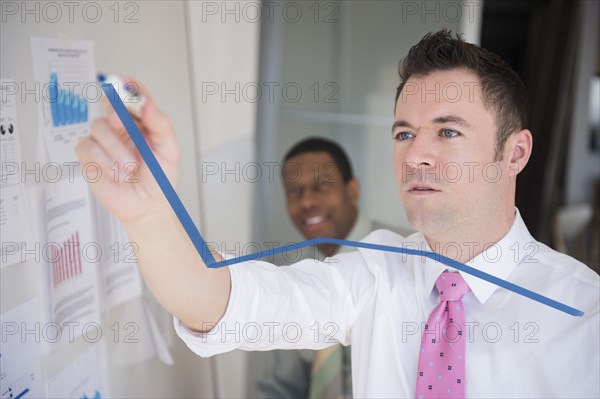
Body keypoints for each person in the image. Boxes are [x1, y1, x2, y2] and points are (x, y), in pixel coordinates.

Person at [77, 30, 599, 398]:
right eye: (403, 133)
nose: (415, 154)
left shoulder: (585, 318)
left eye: (447, 131)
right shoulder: (374, 270)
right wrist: (149, 215)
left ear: (515, 153)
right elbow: (226, 301)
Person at [255, 138, 371, 399]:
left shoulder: (409, 257)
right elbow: (284, 385)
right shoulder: (284, 273)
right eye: (294, 192)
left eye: (321, 186)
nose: (306, 202)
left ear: (352, 190)